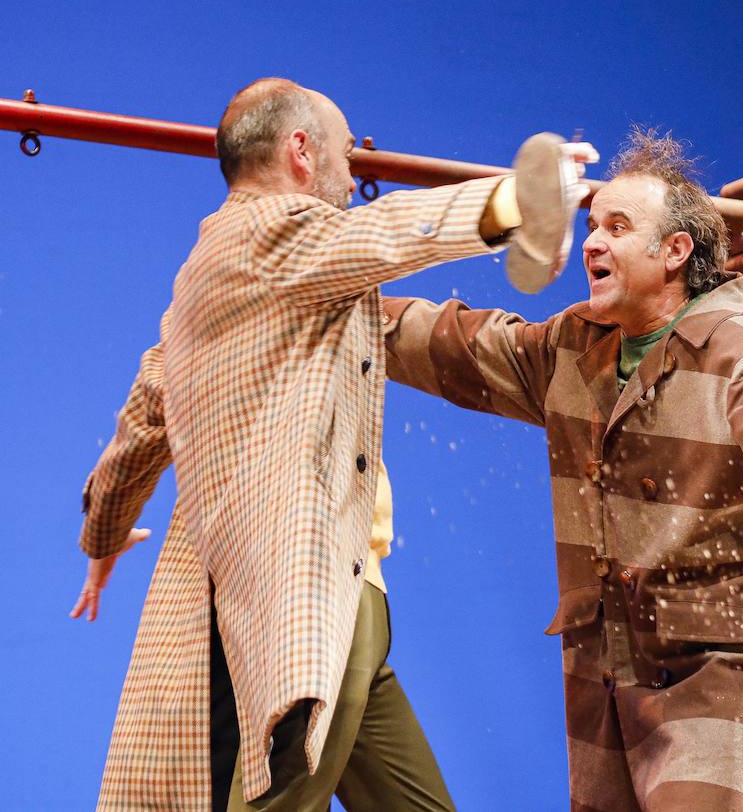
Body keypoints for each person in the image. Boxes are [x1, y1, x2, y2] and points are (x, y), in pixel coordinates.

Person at [380, 127, 743, 811]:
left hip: (721, 670)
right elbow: (463, 346)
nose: (592, 243)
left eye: (617, 226)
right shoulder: (576, 347)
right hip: (608, 669)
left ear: (674, 251)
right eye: (592, 224)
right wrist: (341, 309)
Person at [70, 76, 596, 810]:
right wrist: (515, 201)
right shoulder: (269, 234)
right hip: (307, 599)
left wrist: (103, 533)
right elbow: (374, 236)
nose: (355, 178)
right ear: (300, 153)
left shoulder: (204, 284)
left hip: (322, 609)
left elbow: (141, 426)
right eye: (347, 155)